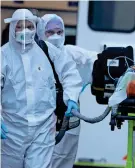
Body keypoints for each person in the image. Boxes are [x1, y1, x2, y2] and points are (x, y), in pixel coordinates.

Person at [1, 9, 82, 168]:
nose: (25, 31)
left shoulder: (46, 50)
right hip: (11, 130)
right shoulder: (3, 56)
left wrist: (71, 96)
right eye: (20, 27)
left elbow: (69, 71)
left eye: (30, 27)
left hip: (43, 128)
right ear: (12, 29)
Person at [36, 14, 98, 168]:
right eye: (50, 32)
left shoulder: (70, 53)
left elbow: (95, 58)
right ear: (41, 33)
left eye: (60, 32)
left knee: (64, 159)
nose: (56, 36)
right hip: (41, 119)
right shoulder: (33, 57)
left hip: (69, 117)